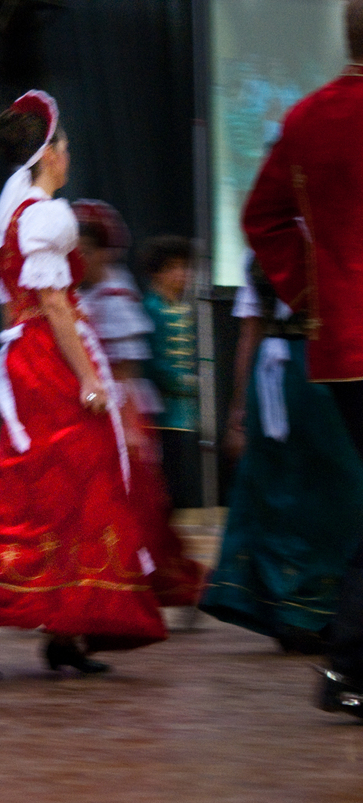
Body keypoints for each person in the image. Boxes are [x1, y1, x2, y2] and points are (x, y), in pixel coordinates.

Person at [0, 91, 166, 680]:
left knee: (61, 484)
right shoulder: (46, 214)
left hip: (29, 356)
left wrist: (12, 375)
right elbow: (53, 304)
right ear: (49, 153)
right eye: (64, 146)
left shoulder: (14, 214)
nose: (68, 155)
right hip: (51, 358)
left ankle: (64, 631)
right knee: (65, 482)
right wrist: (89, 378)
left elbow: (10, 307)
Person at [241, 1, 363, 714]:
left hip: (343, 343)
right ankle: (346, 664)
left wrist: (312, 292)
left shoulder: (308, 117)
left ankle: (348, 664)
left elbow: (260, 217)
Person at [200, 256, 363, 653]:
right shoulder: (337, 246)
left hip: (278, 373)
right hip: (327, 369)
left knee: (283, 491)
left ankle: (294, 611)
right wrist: (239, 412)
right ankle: (313, 613)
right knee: (332, 494)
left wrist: (239, 411)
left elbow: (250, 331)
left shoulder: (265, 252)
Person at [73, 200, 205, 609]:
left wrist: (130, 429)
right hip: (89, 409)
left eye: (84, 250)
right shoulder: (80, 291)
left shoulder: (115, 294)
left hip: (118, 413)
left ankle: (134, 582)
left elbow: (126, 373)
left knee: (133, 505)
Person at [140, 236, 201, 508]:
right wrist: (186, 382)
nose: (181, 274)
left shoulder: (179, 308)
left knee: (178, 484)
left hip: (181, 411)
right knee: (165, 484)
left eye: (184, 267)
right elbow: (153, 362)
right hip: (158, 412)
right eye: (173, 268)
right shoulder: (150, 308)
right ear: (157, 273)